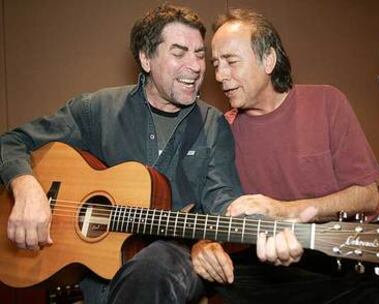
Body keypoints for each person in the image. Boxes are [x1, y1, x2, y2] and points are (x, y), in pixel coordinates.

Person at [0, 4, 243, 304]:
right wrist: (26, 189)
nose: (195, 66)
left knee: (157, 262)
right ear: (145, 58)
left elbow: (223, 204)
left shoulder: (212, 124)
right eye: (179, 53)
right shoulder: (97, 110)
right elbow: (10, 142)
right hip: (101, 283)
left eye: (199, 54)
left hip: (177, 267)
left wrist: (208, 241)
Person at [191, 8, 379, 303]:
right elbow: (213, 212)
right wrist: (201, 246)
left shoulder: (326, 102)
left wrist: (283, 210)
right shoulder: (221, 131)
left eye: (231, 62)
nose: (219, 75)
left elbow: (368, 196)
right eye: (216, 64)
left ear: (268, 60)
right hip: (272, 269)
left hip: (347, 260)